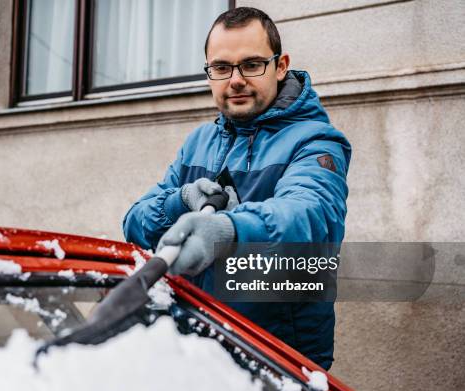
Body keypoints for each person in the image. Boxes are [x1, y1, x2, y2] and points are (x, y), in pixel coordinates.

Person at [122, 7, 350, 370]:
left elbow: (310, 216)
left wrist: (230, 229)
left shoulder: (316, 141)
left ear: (280, 66)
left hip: (276, 360)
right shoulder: (198, 142)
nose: (236, 80)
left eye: (252, 64)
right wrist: (179, 202)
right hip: (195, 347)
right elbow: (133, 223)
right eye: (222, 68)